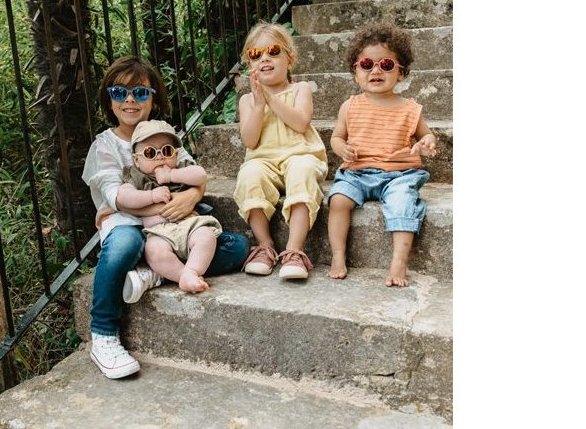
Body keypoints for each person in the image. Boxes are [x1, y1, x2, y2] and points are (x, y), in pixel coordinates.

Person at [81, 56, 249, 379]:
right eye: (120, 92)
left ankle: (154, 274)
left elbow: (195, 176)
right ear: (109, 100)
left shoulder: (165, 137)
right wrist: (163, 202)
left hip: (174, 227)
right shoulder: (105, 146)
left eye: (140, 92)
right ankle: (103, 333)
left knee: (235, 246)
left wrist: (192, 197)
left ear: (154, 99)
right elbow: (118, 199)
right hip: (128, 225)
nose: (130, 100)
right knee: (125, 246)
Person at [326, 23, 438, 287]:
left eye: (386, 65)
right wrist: (341, 148)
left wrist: (426, 143)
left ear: (401, 73)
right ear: (355, 72)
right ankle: (338, 255)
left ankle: (399, 262)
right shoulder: (349, 106)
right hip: (357, 172)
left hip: (399, 174)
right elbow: (336, 137)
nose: (375, 70)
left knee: (403, 204)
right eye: (367, 64)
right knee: (338, 200)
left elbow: (427, 135)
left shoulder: (410, 109)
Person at [233, 22, 328, 280]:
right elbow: (250, 141)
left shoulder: (300, 89)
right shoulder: (247, 100)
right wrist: (258, 105)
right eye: (256, 54)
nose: (265, 58)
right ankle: (265, 246)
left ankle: (294, 250)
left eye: (273, 51)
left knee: (302, 171)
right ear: (250, 65)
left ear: (290, 59)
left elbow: (300, 123)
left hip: (300, 155)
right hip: (263, 160)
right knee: (249, 176)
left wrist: (270, 99)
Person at [117, 119, 222, 295]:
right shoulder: (137, 177)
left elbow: (201, 175)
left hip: (189, 225)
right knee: (153, 252)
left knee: (206, 237)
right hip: (159, 232)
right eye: (150, 152)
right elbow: (123, 198)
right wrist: (151, 196)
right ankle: (183, 276)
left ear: (176, 154)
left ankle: (191, 271)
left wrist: (172, 174)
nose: (160, 157)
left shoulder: (181, 169)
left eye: (167, 150)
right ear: (137, 160)